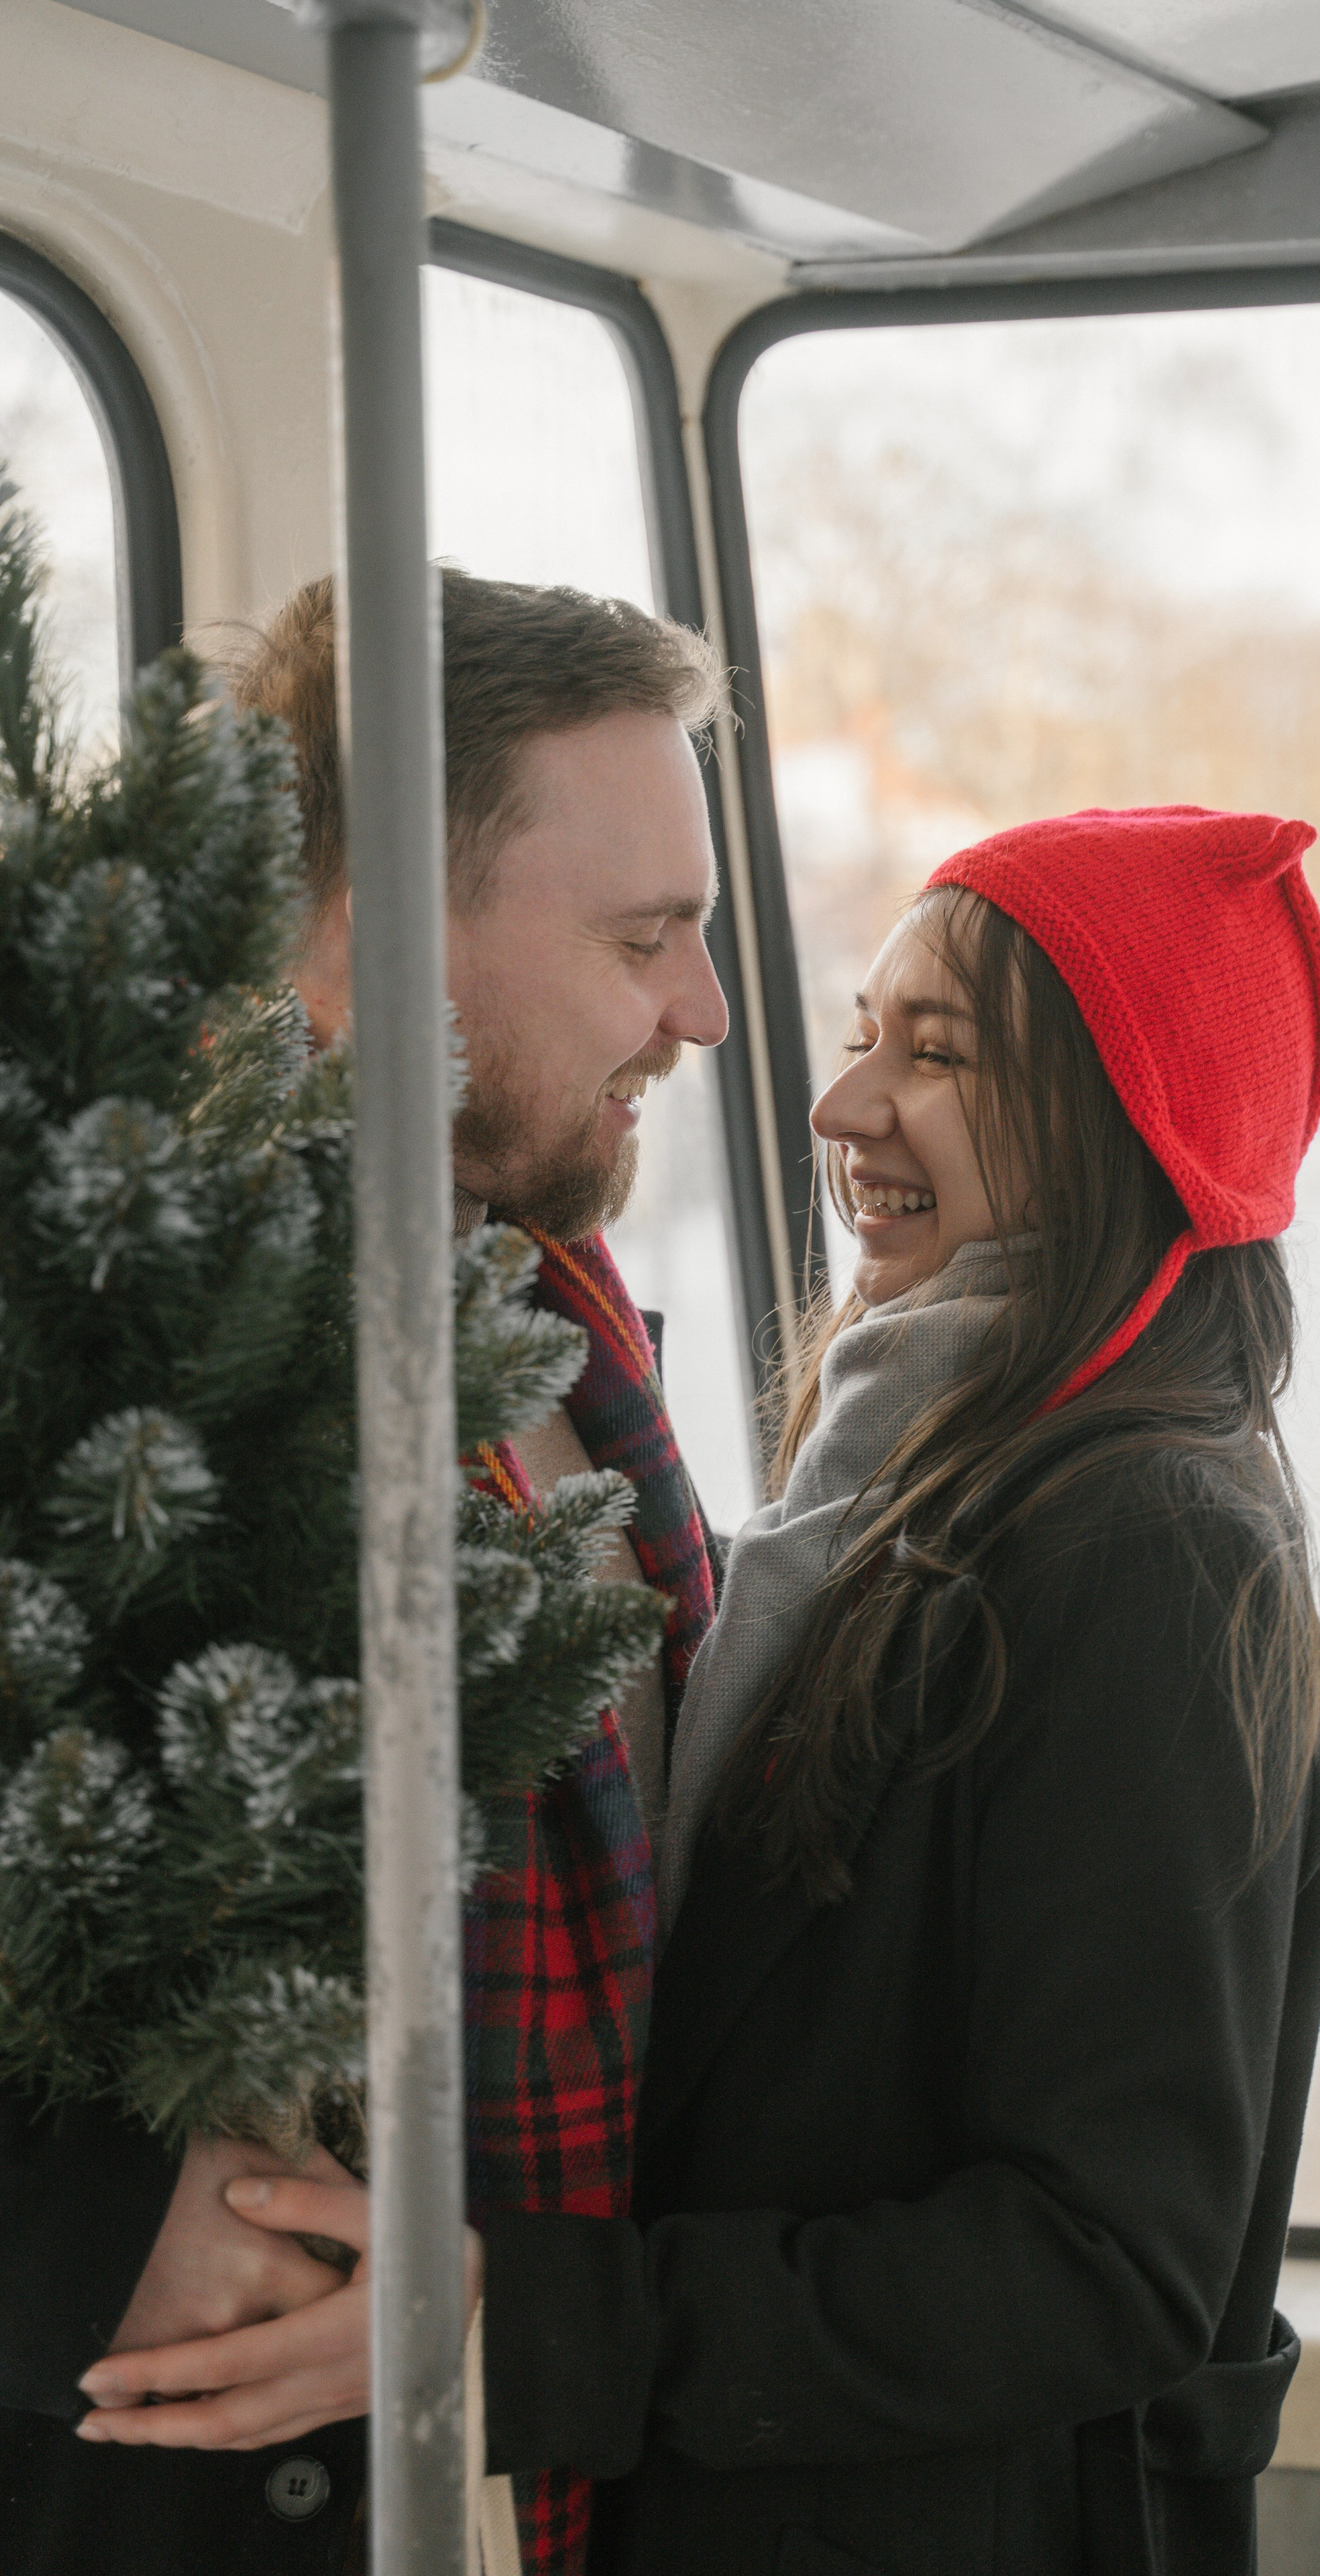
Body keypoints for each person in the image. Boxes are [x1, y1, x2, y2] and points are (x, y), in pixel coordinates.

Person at [73, 802, 1320, 2575]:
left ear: (1132, 1119)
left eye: (941, 1055)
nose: (841, 1110)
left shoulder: (1144, 1542)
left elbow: (1109, 2264)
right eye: (861, 1040)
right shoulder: (917, 1474)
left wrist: (506, 2321)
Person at [0, 570, 728, 2576]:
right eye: (642, 940)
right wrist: (82, 2244)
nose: (704, 1016)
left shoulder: (548, 1317)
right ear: (377, 930)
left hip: (526, 2455)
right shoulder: (100, 1335)